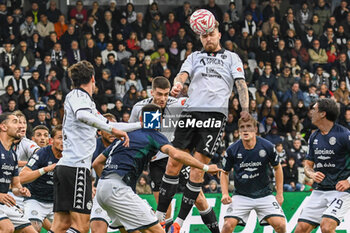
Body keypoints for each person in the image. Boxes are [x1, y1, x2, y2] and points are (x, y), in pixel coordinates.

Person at [156, 18, 250, 233]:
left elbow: (241, 84)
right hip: (190, 113)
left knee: (196, 172)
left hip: (214, 117)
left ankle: (178, 223)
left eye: (211, 34)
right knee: (173, 164)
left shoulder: (231, 57)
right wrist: (179, 83)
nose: (208, 38)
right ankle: (160, 217)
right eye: (204, 35)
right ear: (200, 37)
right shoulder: (194, 56)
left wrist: (245, 109)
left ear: (219, 34)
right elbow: (183, 74)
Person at [93, 103, 222, 233]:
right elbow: (176, 154)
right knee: (158, 231)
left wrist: (108, 183)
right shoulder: (153, 135)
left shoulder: (124, 135)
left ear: (141, 120)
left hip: (102, 190)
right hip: (119, 190)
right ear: (159, 120)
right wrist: (205, 167)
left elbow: (97, 164)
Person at [49, 61, 141, 233]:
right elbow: (83, 115)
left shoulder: (86, 102)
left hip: (67, 167)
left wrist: (139, 125)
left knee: (61, 225)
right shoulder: (78, 96)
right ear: (93, 78)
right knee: (82, 227)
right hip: (76, 168)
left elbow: (107, 123)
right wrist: (112, 129)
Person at [220, 115, 286, 233]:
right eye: (242, 127)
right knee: (227, 226)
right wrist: (225, 193)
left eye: (249, 126)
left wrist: (279, 193)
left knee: (281, 225)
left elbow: (278, 168)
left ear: (255, 129)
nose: (245, 130)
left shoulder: (268, 146)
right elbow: (224, 173)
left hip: (264, 195)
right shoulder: (232, 149)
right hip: (241, 195)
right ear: (239, 131)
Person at [295, 98, 350, 233]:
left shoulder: (345, 135)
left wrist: (348, 181)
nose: (311, 112)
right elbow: (308, 165)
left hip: (341, 191)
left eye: (314, 109)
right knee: (301, 229)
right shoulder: (314, 137)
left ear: (322, 114)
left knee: (326, 226)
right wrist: (312, 173)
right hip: (319, 190)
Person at [19, 125, 63, 232]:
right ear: (51, 140)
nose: (64, 141)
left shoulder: (71, 155)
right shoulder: (42, 153)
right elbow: (22, 177)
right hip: (36, 199)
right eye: (60, 138)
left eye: (66, 138)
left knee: (76, 227)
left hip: (57, 201)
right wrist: (46, 169)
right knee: (34, 227)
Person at [0, 112, 36, 233]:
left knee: (31, 231)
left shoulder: (13, 155)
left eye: (21, 123)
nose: (20, 126)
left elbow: (15, 185)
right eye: (15, 122)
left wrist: (21, 191)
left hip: (4, 201)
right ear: (3, 127)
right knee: (7, 228)